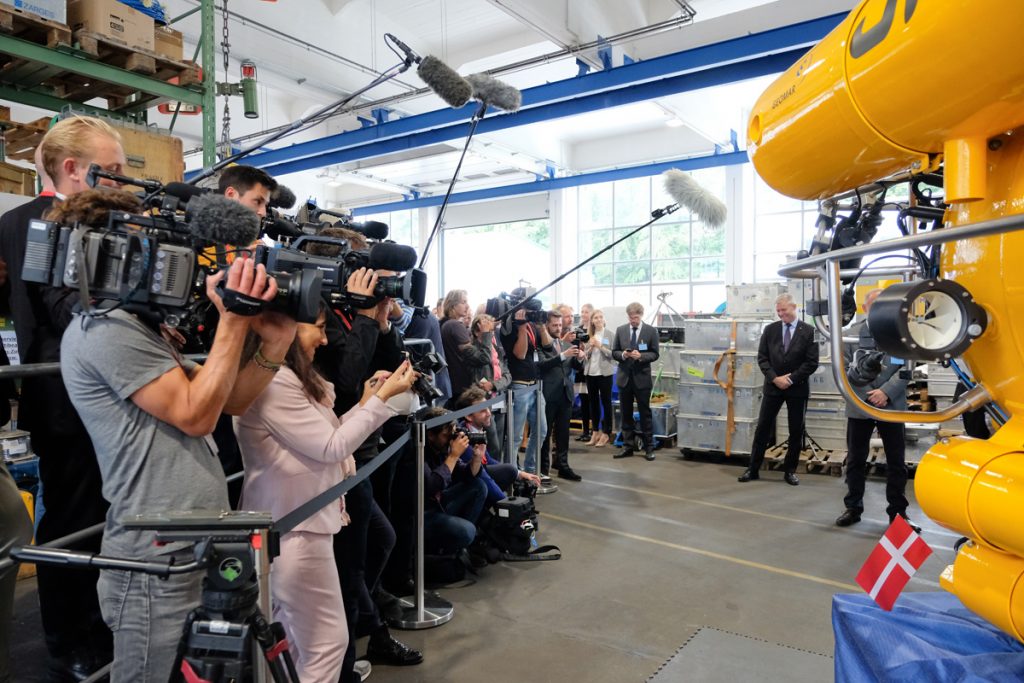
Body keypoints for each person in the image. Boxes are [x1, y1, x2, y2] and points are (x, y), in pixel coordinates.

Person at [61, 228, 296, 682]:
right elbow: (195, 415)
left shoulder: (139, 329)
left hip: (192, 543)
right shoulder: (104, 330)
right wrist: (232, 319)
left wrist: (274, 343)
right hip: (156, 554)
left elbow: (228, 400)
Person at [0, 116, 126, 680]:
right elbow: (61, 305)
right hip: (62, 400)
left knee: (105, 514)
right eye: (114, 170)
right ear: (73, 169)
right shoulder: (30, 223)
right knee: (71, 517)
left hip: (105, 391)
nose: (123, 182)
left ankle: (101, 624)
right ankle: (70, 637)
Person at [234, 300, 417, 683]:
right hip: (294, 532)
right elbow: (331, 447)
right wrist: (380, 404)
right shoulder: (276, 381)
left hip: (300, 529)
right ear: (282, 327)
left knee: (301, 646)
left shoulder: (286, 377)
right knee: (327, 645)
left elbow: (326, 439)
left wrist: (367, 401)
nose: (323, 337)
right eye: (316, 326)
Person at [309, 228, 423, 675]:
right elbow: (345, 382)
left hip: (359, 448)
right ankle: (356, 647)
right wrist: (360, 317)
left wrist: (381, 319)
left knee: (379, 541)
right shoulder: (324, 317)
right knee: (354, 558)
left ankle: (365, 627)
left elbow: (395, 364)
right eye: (367, 269)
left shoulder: (354, 313)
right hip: (334, 448)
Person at [835, 289, 919, 531]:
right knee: (855, 459)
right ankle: (853, 507)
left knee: (896, 462)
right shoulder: (849, 336)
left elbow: (906, 369)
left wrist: (886, 392)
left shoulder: (902, 334)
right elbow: (843, 372)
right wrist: (868, 396)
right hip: (859, 404)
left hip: (891, 406)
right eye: (875, 305)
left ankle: (898, 513)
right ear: (864, 308)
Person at [738, 293, 819, 485]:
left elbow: (811, 363)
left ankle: (789, 471)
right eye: (778, 311)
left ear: (794, 307)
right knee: (763, 428)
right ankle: (753, 468)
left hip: (797, 388)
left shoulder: (809, 331)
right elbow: (762, 358)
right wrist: (775, 378)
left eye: (784, 310)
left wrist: (790, 379)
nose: (781, 314)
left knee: (795, 430)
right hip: (773, 387)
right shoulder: (770, 330)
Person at [456, 386, 541, 507]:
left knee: (510, 470)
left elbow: (488, 461)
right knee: (508, 470)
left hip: (476, 478)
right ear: (469, 416)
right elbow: (481, 472)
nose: (489, 413)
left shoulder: (475, 430)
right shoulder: (463, 438)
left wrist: (520, 473)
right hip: (466, 485)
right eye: (482, 411)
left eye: (488, 408)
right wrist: (508, 505)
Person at [421, 407, 489, 555]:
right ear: (431, 435)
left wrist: (477, 458)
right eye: (447, 435)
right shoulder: (419, 452)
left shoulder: (441, 446)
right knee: (468, 531)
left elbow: (466, 475)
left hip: (438, 503)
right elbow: (431, 486)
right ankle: (442, 553)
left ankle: (454, 551)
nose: (451, 439)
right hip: (422, 514)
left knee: (479, 486)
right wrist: (453, 456)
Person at [499, 291, 551, 476]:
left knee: (541, 431)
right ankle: (511, 475)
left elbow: (548, 346)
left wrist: (541, 326)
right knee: (515, 436)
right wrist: (521, 327)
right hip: (519, 385)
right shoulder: (510, 325)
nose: (530, 312)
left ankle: (530, 471)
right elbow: (520, 354)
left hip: (535, 385)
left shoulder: (532, 325)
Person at [612, 302, 661, 461]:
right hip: (624, 378)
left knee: (645, 413)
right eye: (631, 318)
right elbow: (614, 352)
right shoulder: (620, 330)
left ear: (641, 315)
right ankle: (627, 446)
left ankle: (649, 448)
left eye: (636, 317)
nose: (633, 320)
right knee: (626, 414)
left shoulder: (651, 331)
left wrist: (641, 356)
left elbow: (655, 354)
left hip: (642, 379)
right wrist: (623, 355)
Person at [460, 313, 511, 459]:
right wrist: (486, 336)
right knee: (492, 444)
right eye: (487, 329)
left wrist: (494, 385)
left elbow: (507, 375)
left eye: (491, 330)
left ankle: (497, 474)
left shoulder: (495, 350)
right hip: (484, 403)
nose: (491, 333)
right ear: (477, 331)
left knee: (499, 444)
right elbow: (484, 358)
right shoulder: (469, 349)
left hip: (498, 399)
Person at [539, 311, 583, 481]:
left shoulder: (565, 344)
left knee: (563, 434)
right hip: (548, 395)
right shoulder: (540, 345)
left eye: (559, 325)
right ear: (547, 326)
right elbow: (542, 365)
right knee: (545, 433)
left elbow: (576, 367)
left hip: (566, 394)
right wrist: (563, 355)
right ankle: (543, 470)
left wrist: (580, 358)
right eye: (554, 325)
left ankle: (563, 466)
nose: (558, 328)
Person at [584, 309, 615, 447]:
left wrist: (600, 346)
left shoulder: (609, 335)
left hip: (605, 373)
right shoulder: (589, 335)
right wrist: (590, 348)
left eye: (600, 317)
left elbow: (612, 354)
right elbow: (584, 355)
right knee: (593, 403)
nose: (598, 319)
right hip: (591, 373)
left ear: (604, 319)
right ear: (592, 321)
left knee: (606, 402)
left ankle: (606, 432)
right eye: (595, 317)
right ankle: (595, 431)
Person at [439, 289, 474, 399]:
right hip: (463, 382)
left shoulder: (444, 324)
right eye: (463, 302)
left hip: (453, 381)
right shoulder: (455, 325)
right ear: (453, 305)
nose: (467, 306)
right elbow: (473, 355)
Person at [574, 303, 594, 442]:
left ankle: (594, 431)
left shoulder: (595, 330)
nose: (583, 314)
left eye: (586, 311)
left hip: (593, 370)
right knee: (583, 401)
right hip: (581, 370)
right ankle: (585, 430)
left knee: (592, 401)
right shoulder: (578, 330)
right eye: (582, 311)